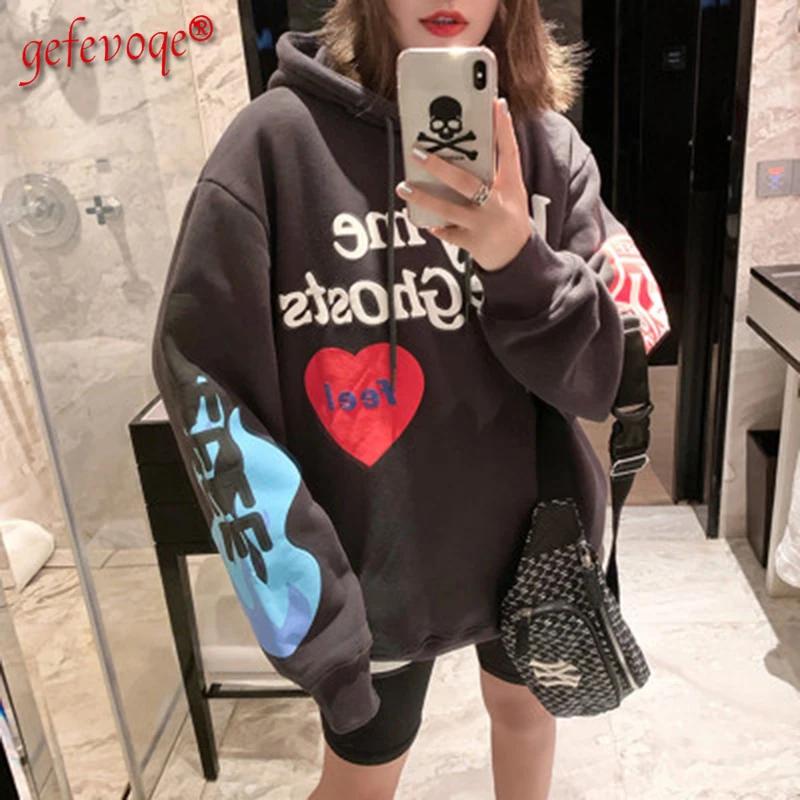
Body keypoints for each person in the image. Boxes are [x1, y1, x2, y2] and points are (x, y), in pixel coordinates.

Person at [152, 1, 670, 798]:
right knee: (362, 776)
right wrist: (313, 607)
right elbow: (206, 383)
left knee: (525, 719)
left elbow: (604, 378)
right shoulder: (275, 146)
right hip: (371, 567)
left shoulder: (543, 145)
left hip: (538, 545)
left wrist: (515, 259)